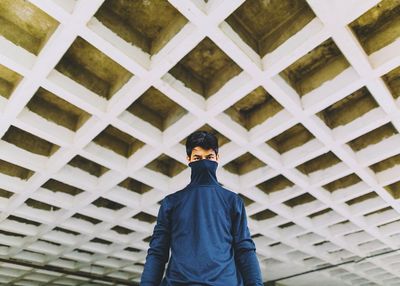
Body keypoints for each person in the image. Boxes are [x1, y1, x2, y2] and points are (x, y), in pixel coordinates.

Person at [140, 130, 263, 285]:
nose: (204, 162)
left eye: (209, 157)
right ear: (188, 159)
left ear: (217, 158)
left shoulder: (233, 201)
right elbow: (158, 252)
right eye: (197, 158)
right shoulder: (171, 203)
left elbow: (244, 250)